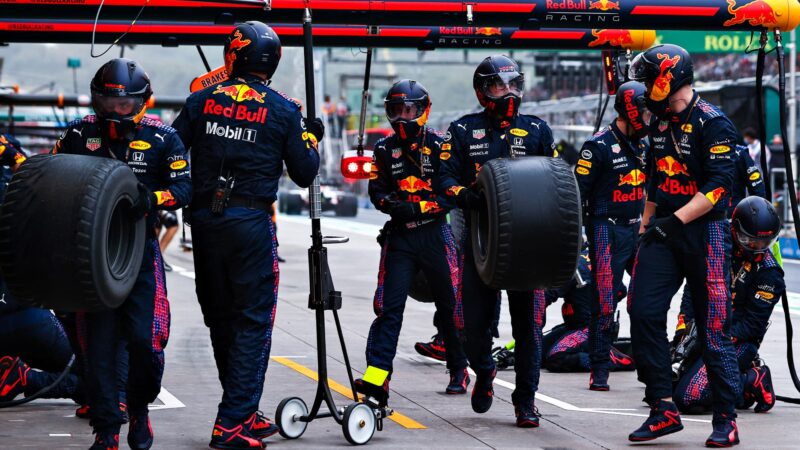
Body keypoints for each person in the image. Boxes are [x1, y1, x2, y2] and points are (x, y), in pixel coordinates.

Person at [172, 21, 321, 450]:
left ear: (231, 54)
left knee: (220, 319)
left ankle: (241, 411)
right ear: (272, 62)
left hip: (204, 224)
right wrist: (310, 136)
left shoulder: (200, 100)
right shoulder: (284, 109)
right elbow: (305, 171)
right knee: (252, 323)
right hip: (251, 225)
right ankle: (232, 423)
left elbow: (170, 147)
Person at [52, 57, 191, 450]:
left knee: (146, 345)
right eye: (108, 104)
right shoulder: (78, 133)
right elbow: (48, 178)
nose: (115, 112)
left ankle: (140, 410)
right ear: (96, 101)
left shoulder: (163, 139)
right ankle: (106, 430)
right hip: (89, 257)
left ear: (142, 102)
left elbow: (184, 190)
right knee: (95, 351)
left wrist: (152, 197)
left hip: (139, 254)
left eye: (124, 105)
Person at [627, 44, 742, 447]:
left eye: (646, 79)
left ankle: (726, 418)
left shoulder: (715, 124)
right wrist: (645, 227)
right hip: (663, 231)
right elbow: (657, 182)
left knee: (713, 329)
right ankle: (662, 407)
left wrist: (672, 223)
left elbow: (717, 190)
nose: (642, 88)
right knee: (641, 311)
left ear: (667, 78)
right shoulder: (659, 123)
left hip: (704, 233)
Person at [438, 55, 556, 428]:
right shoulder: (461, 130)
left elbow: (556, 184)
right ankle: (484, 371)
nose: (508, 92)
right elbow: (444, 179)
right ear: (482, 91)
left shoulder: (537, 130)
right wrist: (464, 195)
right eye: (498, 85)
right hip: (481, 241)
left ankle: (526, 403)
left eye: (513, 84)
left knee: (529, 330)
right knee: (471, 328)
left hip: (527, 244)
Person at [353, 79, 469, 405]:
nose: (402, 117)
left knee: (450, 306)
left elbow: (450, 195)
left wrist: (416, 207)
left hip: (436, 234)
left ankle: (459, 368)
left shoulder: (441, 145)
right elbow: (376, 193)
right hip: (400, 238)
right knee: (388, 310)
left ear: (422, 110)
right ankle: (378, 380)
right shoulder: (383, 149)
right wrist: (394, 208)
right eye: (395, 110)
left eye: (408, 110)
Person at [673, 197, 782, 415]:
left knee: (688, 398)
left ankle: (753, 380)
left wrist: (713, 335)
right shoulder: (716, 247)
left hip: (738, 341)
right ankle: (740, 392)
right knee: (659, 386)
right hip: (705, 331)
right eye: (751, 241)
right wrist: (684, 326)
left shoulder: (770, 274)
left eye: (764, 243)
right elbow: (692, 288)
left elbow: (753, 326)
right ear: (734, 229)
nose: (757, 248)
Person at [574, 81, 650, 391]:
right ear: (630, 110)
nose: (650, 118)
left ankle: (649, 368)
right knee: (605, 302)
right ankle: (600, 368)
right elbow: (576, 196)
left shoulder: (646, 145)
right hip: (604, 227)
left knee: (647, 301)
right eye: (645, 112)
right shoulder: (597, 146)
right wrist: (577, 240)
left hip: (637, 229)